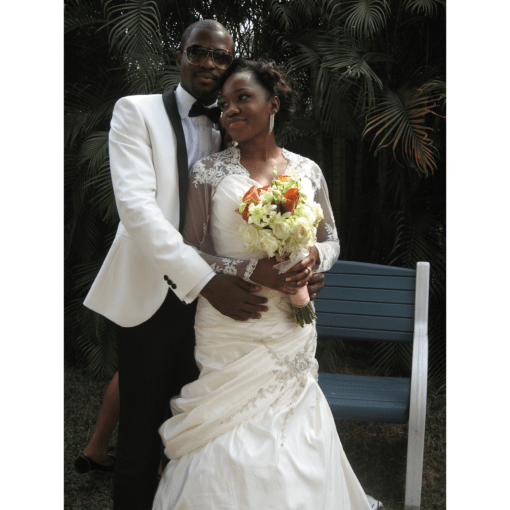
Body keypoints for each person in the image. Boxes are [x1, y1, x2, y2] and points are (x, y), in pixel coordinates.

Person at [83, 21, 325, 510]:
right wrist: (208, 280)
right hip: (158, 294)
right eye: (200, 52)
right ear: (181, 56)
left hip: (222, 312)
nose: (210, 64)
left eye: (220, 56)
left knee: (195, 426)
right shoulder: (137, 111)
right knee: (139, 432)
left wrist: (300, 263)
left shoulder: (230, 122)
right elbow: (137, 210)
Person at [152, 59, 382, 509]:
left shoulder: (308, 171)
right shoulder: (209, 174)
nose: (230, 110)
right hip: (230, 322)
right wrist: (248, 271)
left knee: (295, 427)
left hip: (290, 324)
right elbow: (188, 249)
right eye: (224, 104)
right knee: (227, 431)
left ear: (272, 104)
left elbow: (331, 238)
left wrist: (314, 260)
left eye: (243, 98)